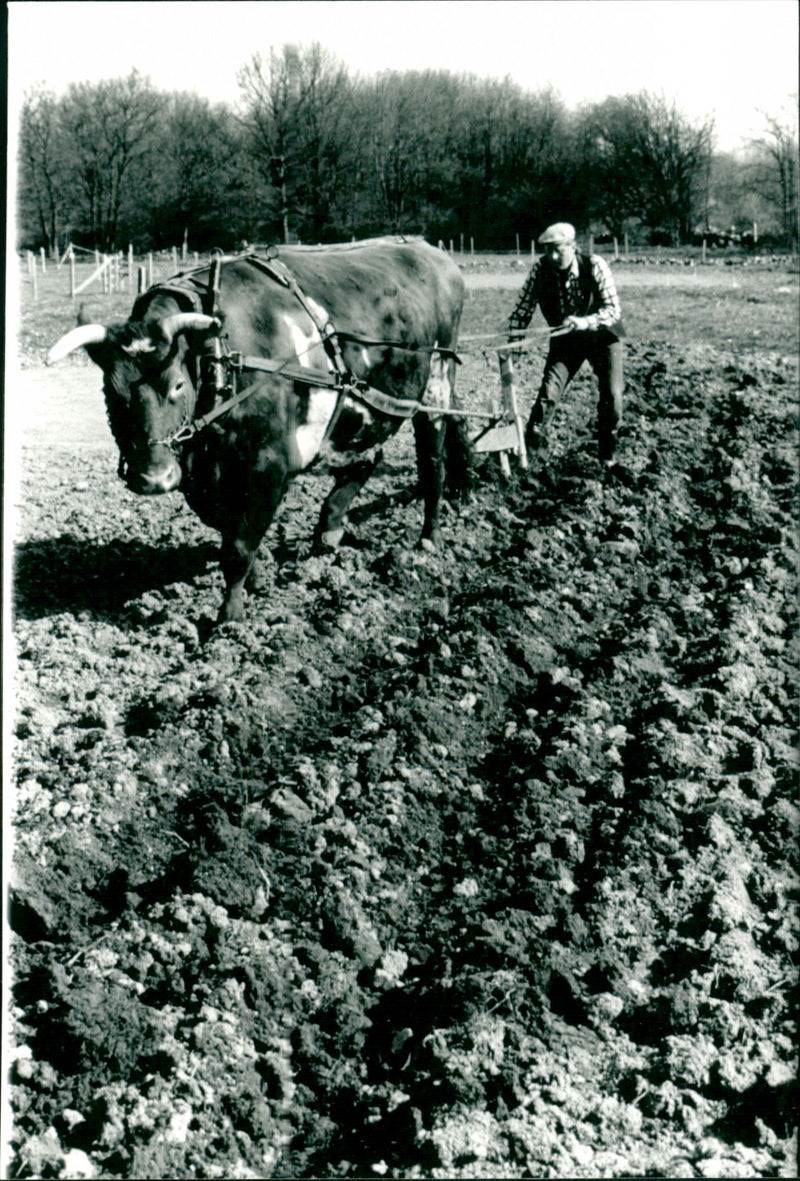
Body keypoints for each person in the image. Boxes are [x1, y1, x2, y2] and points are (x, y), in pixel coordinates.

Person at [508, 222, 625, 465]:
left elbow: (613, 311)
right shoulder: (540, 270)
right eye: (547, 250)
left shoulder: (595, 265)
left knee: (612, 397)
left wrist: (585, 322)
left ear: (573, 246)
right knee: (547, 395)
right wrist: (513, 344)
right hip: (567, 342)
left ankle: (607, 456)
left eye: (558, 249)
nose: (552, 256)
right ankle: (529, 457)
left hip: (603, 338)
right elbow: (522, 311)